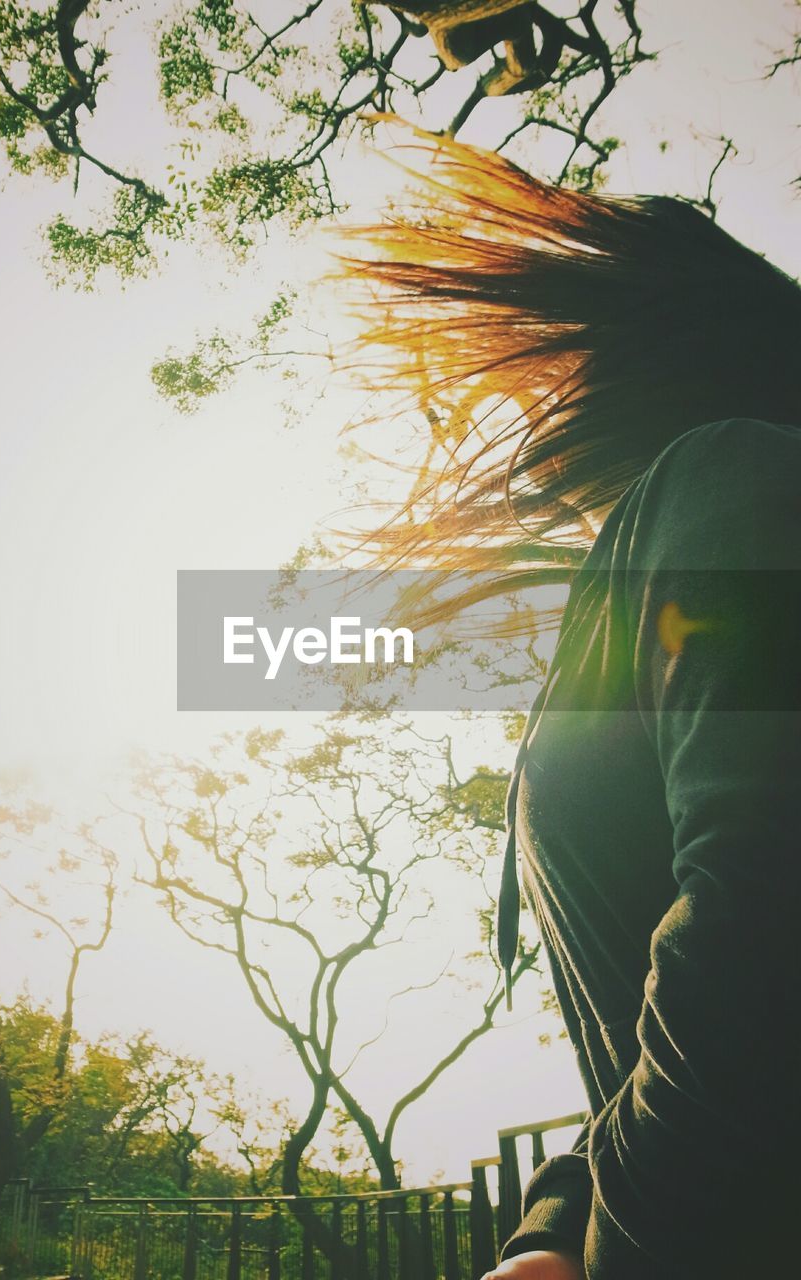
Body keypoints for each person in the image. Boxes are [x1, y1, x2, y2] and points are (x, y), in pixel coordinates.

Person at [336, 123, 801, 1278]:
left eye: (561, 357)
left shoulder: (731, 472)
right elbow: (637, 1019)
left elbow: (760, 909)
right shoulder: (683, 531)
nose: (537, 397)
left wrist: (640, 1253)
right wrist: (553, 1224)